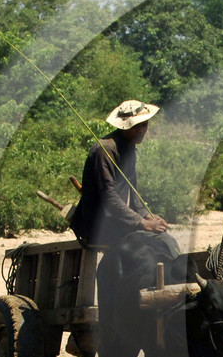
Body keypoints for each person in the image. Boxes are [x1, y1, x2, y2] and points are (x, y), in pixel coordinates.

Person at [69, 99, 174, 250]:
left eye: (145, 125)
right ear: (124, 127)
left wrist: (146, 215)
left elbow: (132, 189)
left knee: (164, 239)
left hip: (117, 221)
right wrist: (141, 222)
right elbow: (109, 196)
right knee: (150, 245)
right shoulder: (105, 150)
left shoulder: (129, 147)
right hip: (98, 226)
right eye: (136, 127)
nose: (142, 130)